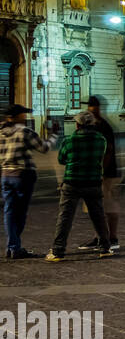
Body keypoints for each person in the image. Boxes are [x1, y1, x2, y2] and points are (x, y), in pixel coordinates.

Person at [46, 111, 114, 261]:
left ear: (77, 124)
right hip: (93, 182)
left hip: (72, 182)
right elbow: (100, 157)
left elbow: (62, 159)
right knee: (98, 216)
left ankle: (58, 251)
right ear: (92, 124)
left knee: (65, 217)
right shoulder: (100, 140)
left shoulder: (69, 140)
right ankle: (104, 248)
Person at [1, 104, 54, 259]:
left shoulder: (1, 133)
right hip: (23, 175)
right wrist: (53, 136)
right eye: (23, 114)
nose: (25, 117)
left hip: (6, 175)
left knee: (9, 211)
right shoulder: (25, 132)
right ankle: (14, 246)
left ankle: (12, 246)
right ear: (17, 116)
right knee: (21, 212)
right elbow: (43, 148)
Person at [77, 96, 120, 252]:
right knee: (100, 206)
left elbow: (107, 151)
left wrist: (100, 171)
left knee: (103, 205)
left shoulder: (100, 126)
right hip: (104, 171)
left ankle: (109, 238)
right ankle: (102, 237)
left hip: (104, 173)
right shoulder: (101, 125)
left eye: (89, 107)